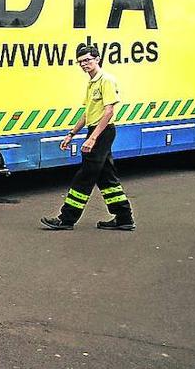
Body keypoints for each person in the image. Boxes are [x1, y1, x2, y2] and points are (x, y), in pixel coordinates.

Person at [41, 43, 136, 231]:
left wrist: (93, 138)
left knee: (84, 176)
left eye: (87, 60)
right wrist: (71, 134)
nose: (84, 64)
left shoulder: (106, 80)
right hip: (95, 130)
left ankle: (67, 218)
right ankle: (124, 217)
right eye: (80, 62)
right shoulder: (91, 82)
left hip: (103, 131)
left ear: (97, 59)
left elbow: (108, 112)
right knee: (106, 177)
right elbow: (87, 113)